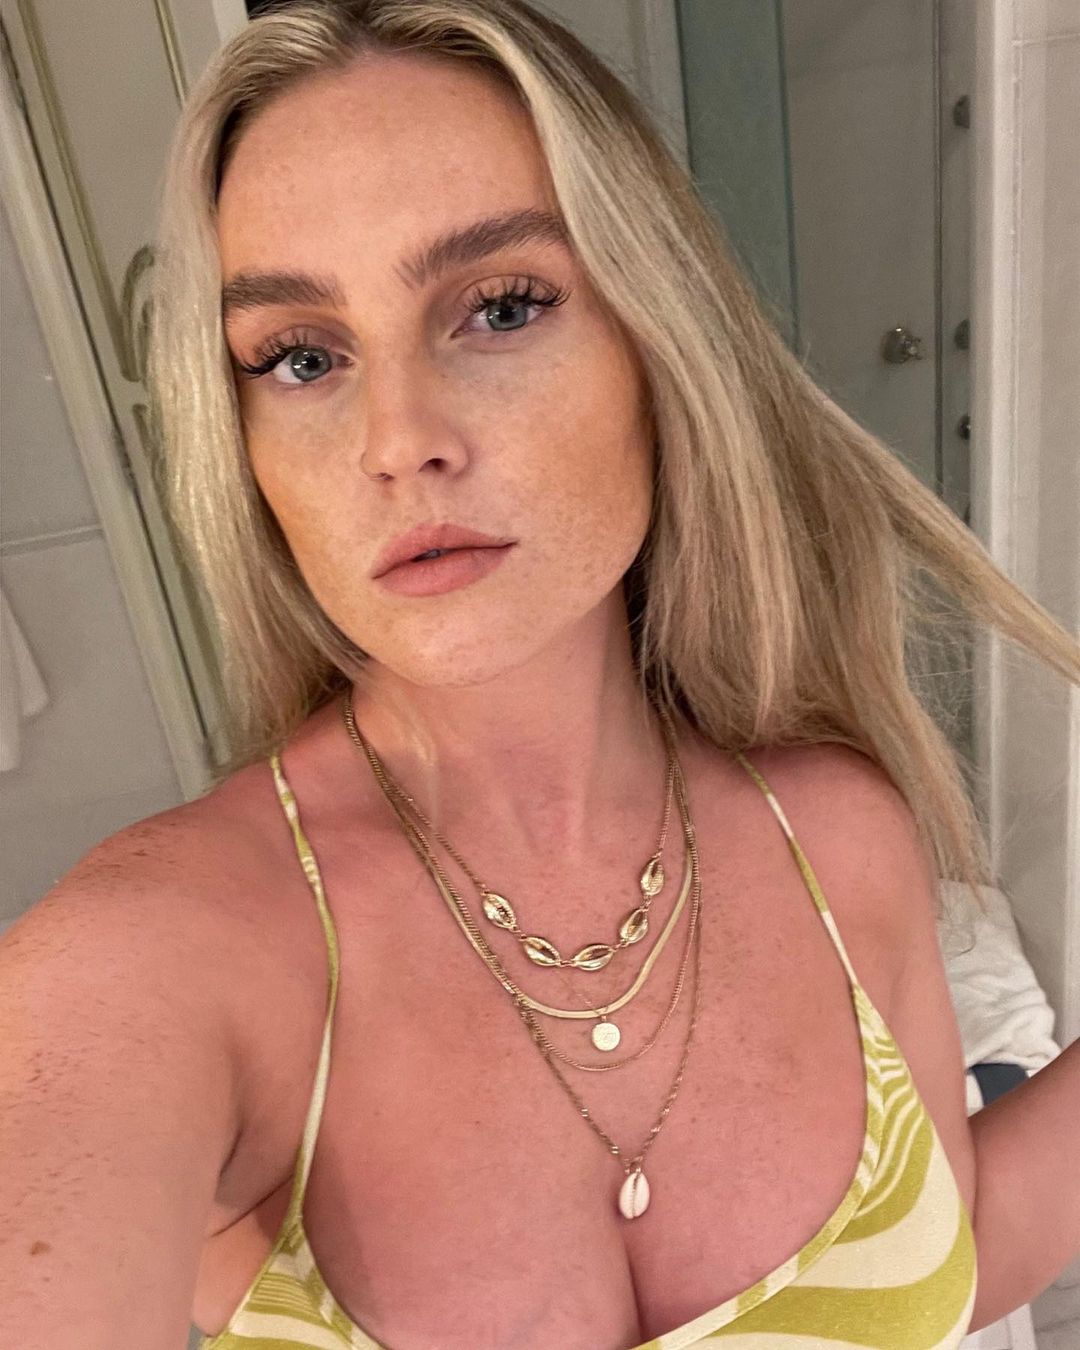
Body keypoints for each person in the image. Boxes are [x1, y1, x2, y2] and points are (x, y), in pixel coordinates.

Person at [2, 3, 1078, 1348]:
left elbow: (942, 1263)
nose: (398, 439)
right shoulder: (153, 961)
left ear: (659, 343)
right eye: (301, 356)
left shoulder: (837, 833)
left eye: (501, 307)